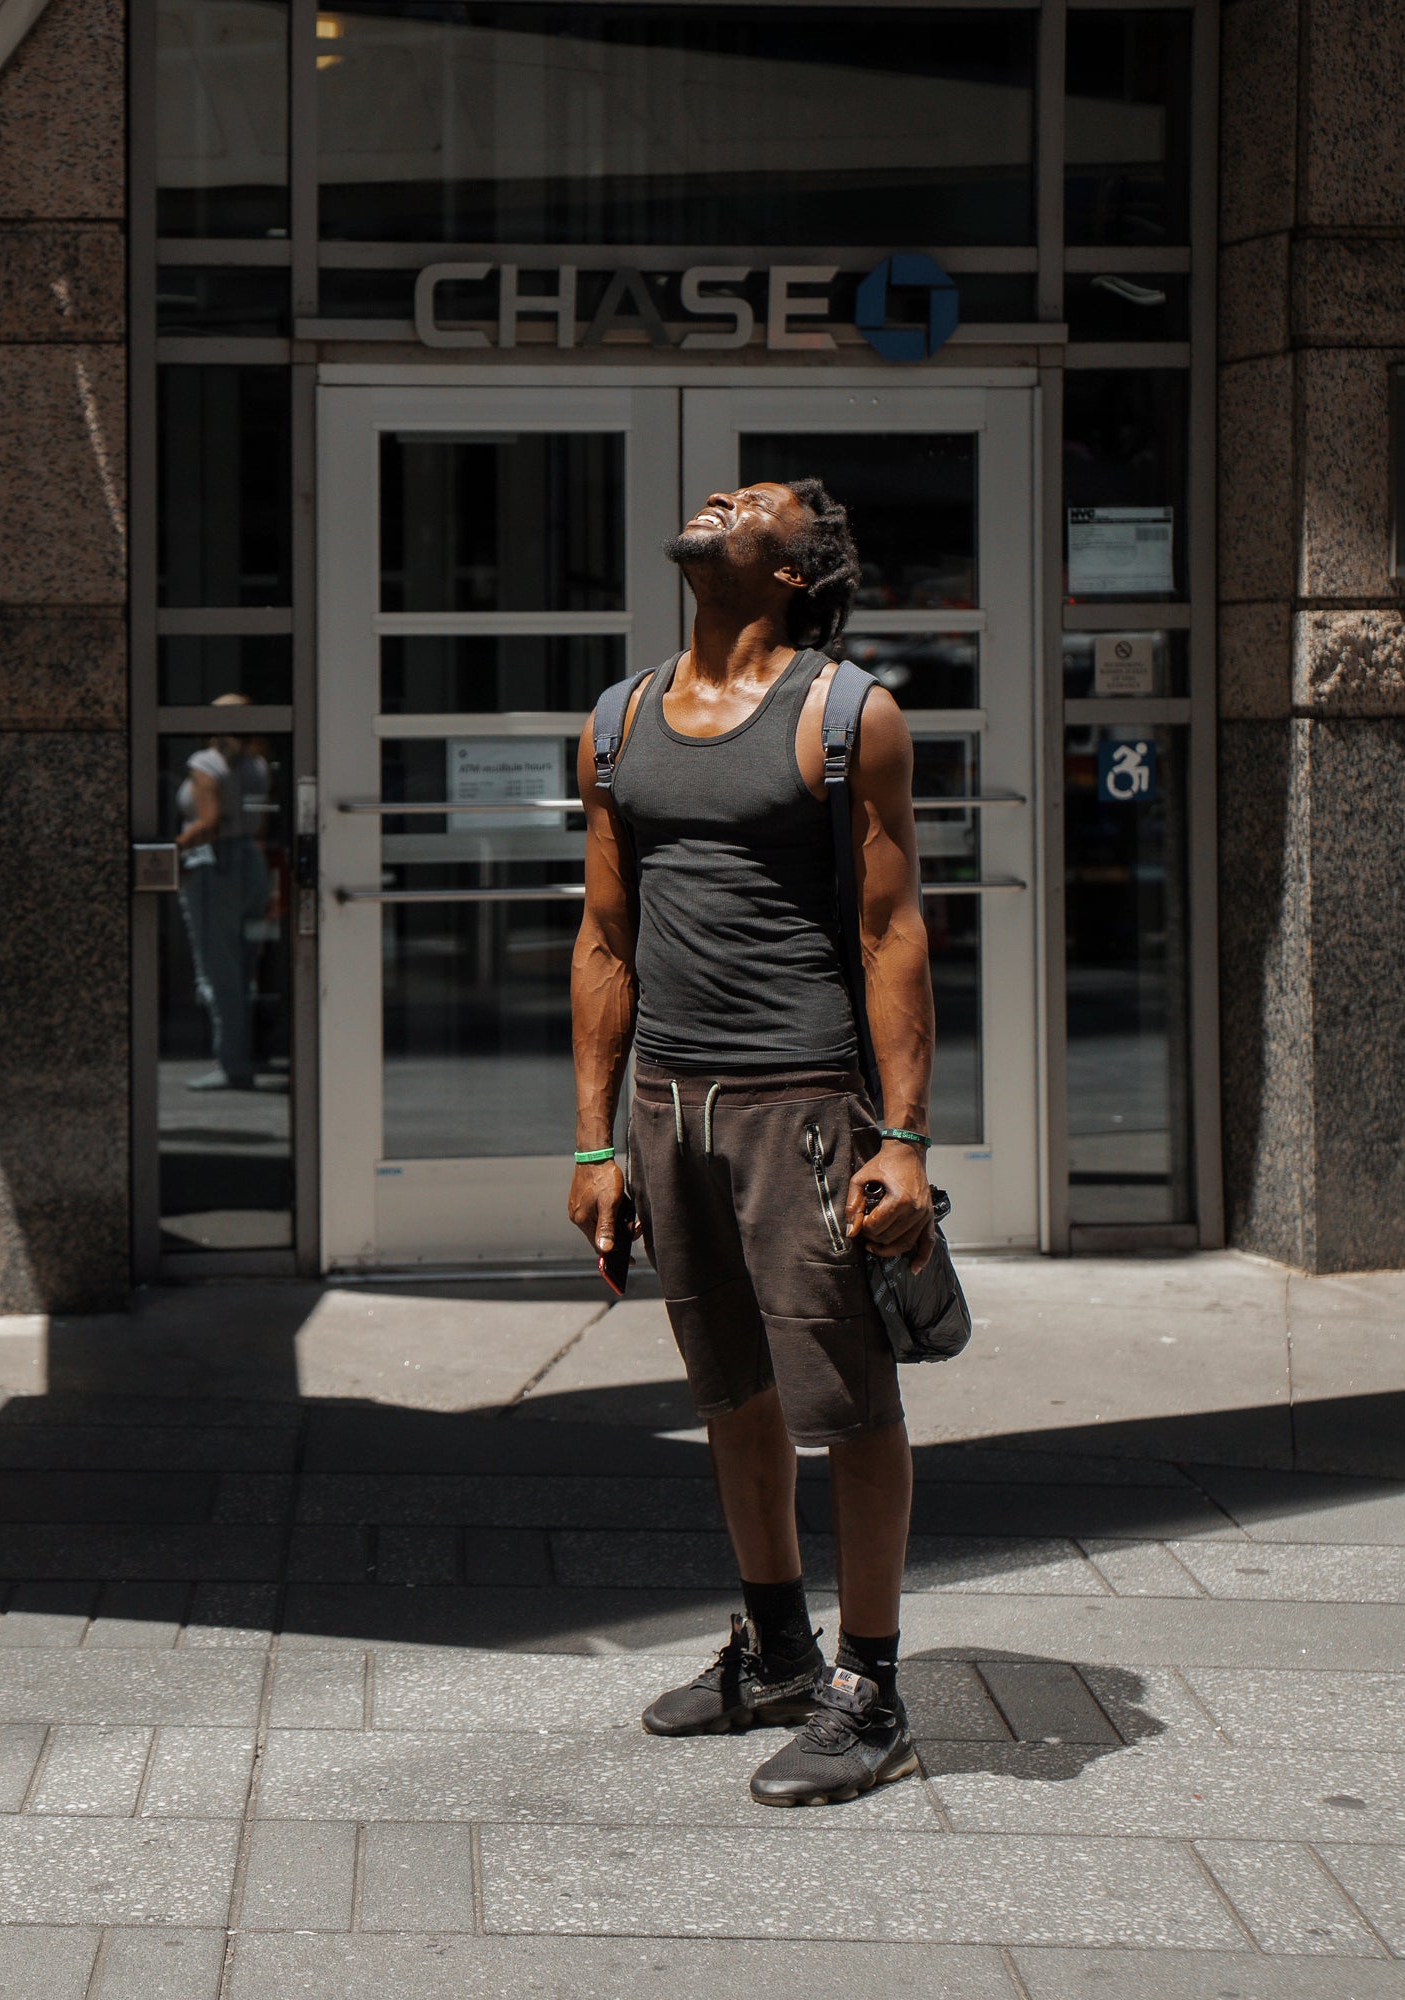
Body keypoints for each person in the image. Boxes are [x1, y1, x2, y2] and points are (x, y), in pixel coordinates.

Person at [567, 479, 937, 1807]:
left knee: (845, 1397)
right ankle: (778, 1649)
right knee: (731, 1388)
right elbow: (606, 936)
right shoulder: (617, 721)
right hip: (671, 1105)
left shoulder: (848, 717)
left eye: (758, 503)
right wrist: (596, 1142)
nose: (724, 499)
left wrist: (901, 1135)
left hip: (803, 1104)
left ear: (795, 570)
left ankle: (873, 1686)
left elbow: (894, 930)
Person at [173, 695, 272, 1091]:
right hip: (251, 861)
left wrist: (174, 850)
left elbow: (209, 822)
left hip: (214, 866)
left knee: (218, 971)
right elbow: (259, 820)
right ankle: (245, 1052)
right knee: (244, 969)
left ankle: (234, 1063)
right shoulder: (258, 764)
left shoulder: (205, 764)